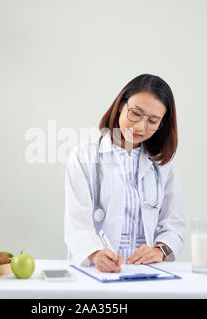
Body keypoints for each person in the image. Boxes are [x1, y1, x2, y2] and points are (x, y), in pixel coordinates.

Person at [64, 74, 185, 273]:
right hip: (98, 272)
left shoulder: (162, 165)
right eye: (136, 113)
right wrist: (95, 253)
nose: (140, 127)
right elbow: (76, 223)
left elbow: (174, 223)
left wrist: (160, 250)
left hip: (147, 272)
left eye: (153, 121)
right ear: (121, 105)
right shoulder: (83, 157)